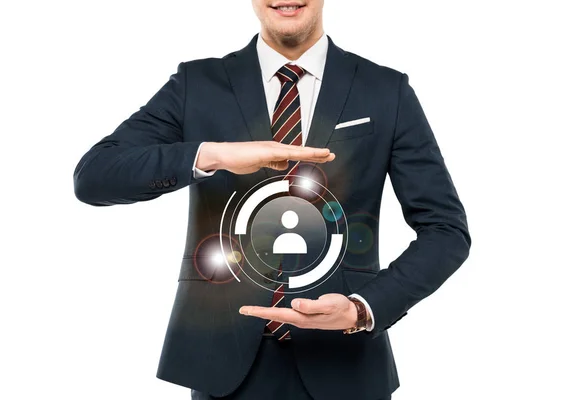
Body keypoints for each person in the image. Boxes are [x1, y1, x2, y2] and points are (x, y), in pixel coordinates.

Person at [73, 1, 471, 398]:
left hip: (345, 365)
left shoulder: (385, 90)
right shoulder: (198, 83)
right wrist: (213, 155)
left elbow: (445, 231)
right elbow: (94, 177)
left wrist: (363, 308)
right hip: (224, 368)